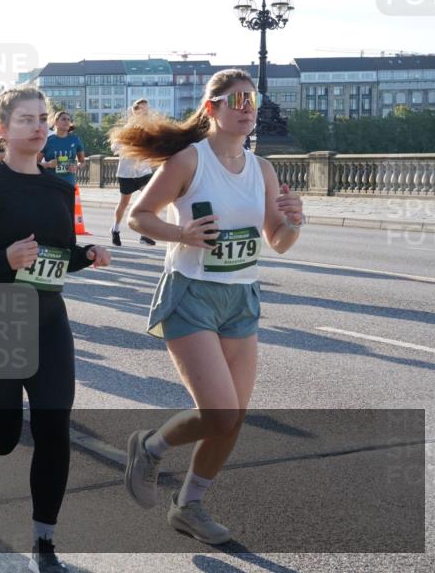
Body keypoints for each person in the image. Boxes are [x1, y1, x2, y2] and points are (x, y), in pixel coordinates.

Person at [113, 69, 304, 545]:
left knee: (233, 416)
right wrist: (182, 233)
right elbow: (140, 214)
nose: (247, 107)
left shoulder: (262, 169)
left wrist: (295, 223)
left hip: (241, 298)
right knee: (218, 412)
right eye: (236, 99)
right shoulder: (188, 161)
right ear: (211, 108)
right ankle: (150, 447)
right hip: (191, 294)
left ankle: (190, 506)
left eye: (252, 100)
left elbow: (277, 240)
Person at [0, 86, 110, 572]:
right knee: (4, 435)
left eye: (43, 118)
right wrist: (3, 259)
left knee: (55, 429)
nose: (37, 127)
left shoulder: (60, 186)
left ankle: (44, 541)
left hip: (49, 319)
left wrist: (86, 255)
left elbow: (55, 257)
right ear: (3, 128)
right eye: (26, 119)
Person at [112, 99, 156, 246]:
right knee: (124, 203)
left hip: (143, 171)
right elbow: (114, 148)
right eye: (142, 109)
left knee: (147, 201)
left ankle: (144, 235)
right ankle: (116, 229)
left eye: (146, 109)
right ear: (135, 111)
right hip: (126, 172)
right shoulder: (126, 129)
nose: (145, 111)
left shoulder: (149, 130)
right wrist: (131, 147)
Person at [39, 110, 85, 188]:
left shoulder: (75, 140)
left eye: (68, 119)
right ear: (56, 122)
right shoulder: (47, 141)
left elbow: (82, 162)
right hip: (51, 184)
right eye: (63, 119)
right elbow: (35, 164)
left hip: (69, 184)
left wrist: (76, 167)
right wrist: (48, 164)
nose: (67, 121)